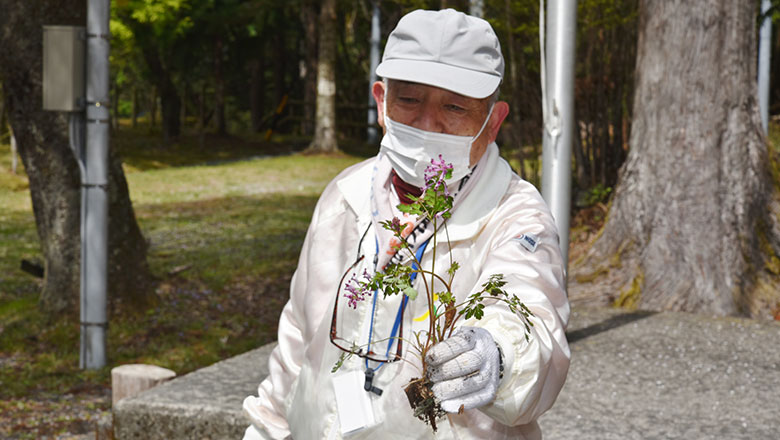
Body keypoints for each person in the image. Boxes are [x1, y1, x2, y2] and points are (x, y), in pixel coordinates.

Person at [243, 8, 569, 440]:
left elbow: (528, 309)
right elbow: (300, 343)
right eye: (410, 100)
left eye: (455, 106)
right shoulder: (346, 196)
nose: (428, 123)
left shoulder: (515, 214)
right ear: (381, 102)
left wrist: (497, 353)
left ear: (492, 123)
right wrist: (266, 431)